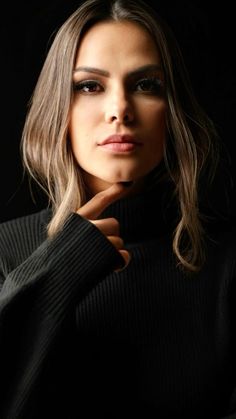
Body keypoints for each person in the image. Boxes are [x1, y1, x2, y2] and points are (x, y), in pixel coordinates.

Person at [0, 0, 235, 418]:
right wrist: (60, 269)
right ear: (60, 109)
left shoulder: (226, 260)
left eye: (146, 85)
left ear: (173, 110)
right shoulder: (5, 250)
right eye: (90, 86)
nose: (120, 110)